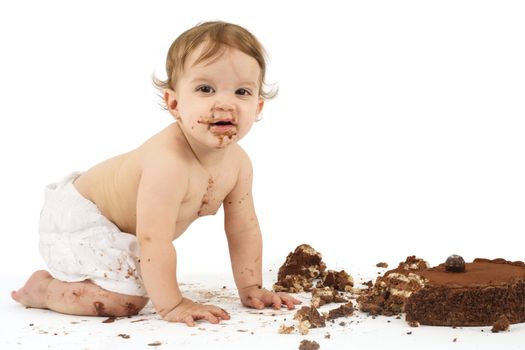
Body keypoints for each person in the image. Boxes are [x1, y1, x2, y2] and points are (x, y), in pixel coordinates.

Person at [11, 21, 301, 326]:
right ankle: (44, 290)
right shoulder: (168, 163)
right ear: (174, 103)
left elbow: (243, 228)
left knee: (138, 283)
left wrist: (251, 287)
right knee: (126, 301)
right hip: (83, 217)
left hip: (125, 230)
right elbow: (153, 239)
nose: (225, 103)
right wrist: (173, 305)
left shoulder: (239, 164)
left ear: (257, 107)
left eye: (241, 91)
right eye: (205, 89)